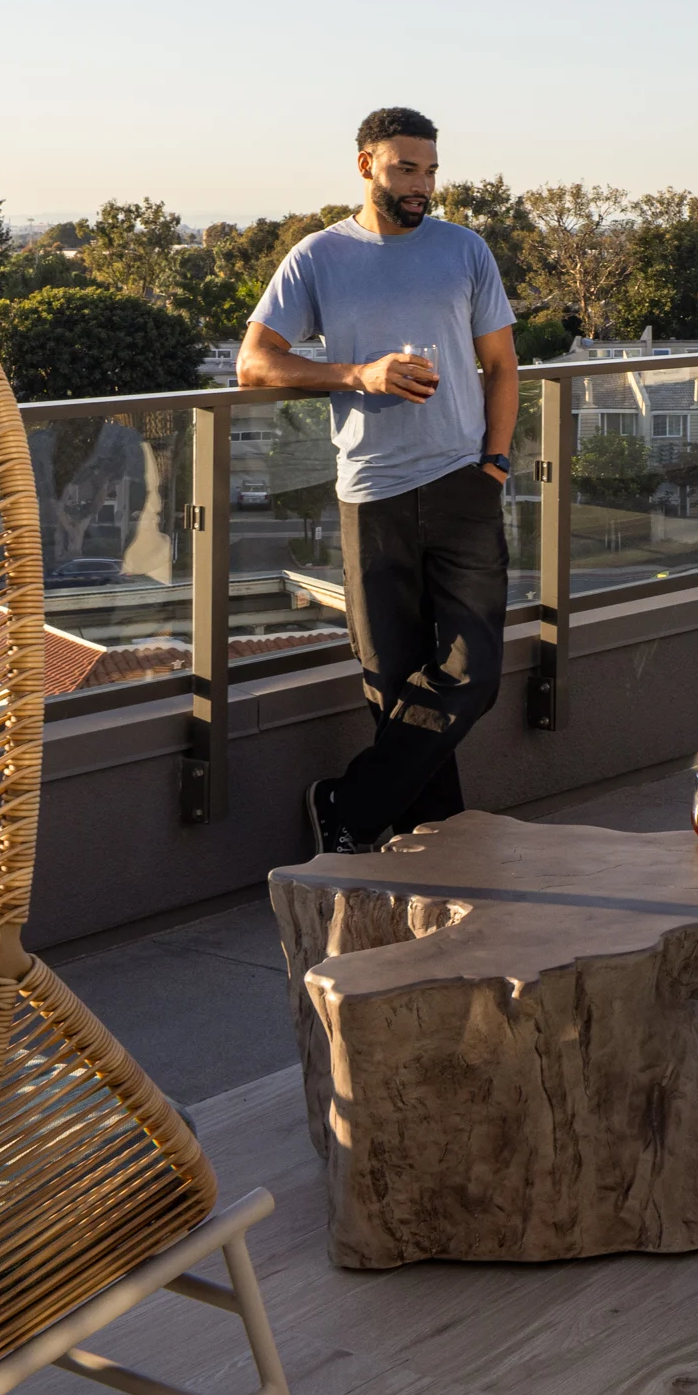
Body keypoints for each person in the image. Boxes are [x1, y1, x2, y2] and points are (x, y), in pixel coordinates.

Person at [239, 108, 521, 853]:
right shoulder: (317, 257)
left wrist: (493, 462)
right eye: (406, 169)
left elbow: (502, 366)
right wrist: (356, 374)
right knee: (392, 682)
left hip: (463, 484)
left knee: (476, 672)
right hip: (371, 492)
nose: (423, 185)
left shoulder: (465, 251)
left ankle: (348, 801)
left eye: (430, 170)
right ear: (367, 166)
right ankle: (437, 845)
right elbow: (254, 362)